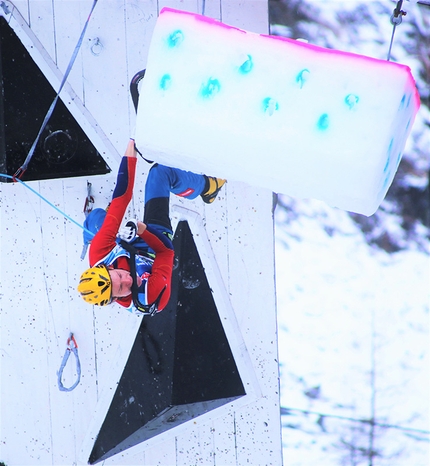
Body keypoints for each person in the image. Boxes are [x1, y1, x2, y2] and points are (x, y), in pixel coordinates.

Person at [77, 139, 225, 314]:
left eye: (119, 276)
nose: (128, 280)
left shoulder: (99, 254)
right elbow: (166, 251)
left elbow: (121, 199)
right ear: (115, 299)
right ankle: (208, 188)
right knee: (160, 173)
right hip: (155, 250)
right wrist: (141, 229)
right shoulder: (149, 297)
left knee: (96, 218)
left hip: (121, 246)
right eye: (121, 288)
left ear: (109, 268)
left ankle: (89, 236)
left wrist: (130, 154)